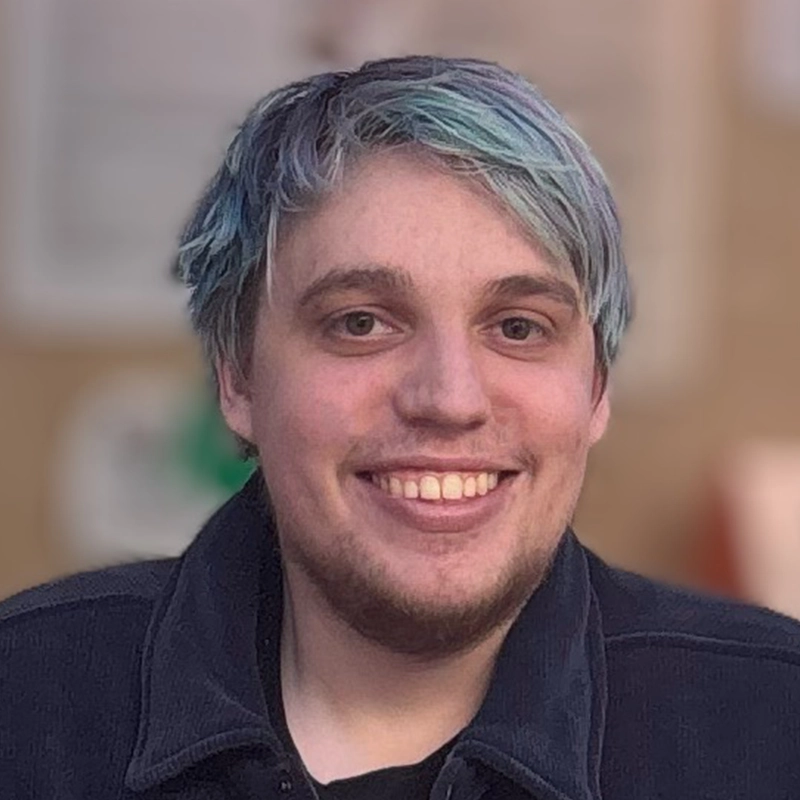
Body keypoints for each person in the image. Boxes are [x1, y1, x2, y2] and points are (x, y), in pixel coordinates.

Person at [2, 56, 799, 800]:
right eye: (360, 323)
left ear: (596, 388)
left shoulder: (770, 728)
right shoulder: (28, 703)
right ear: (237, 376)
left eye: (518, 327)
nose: (449, 398)